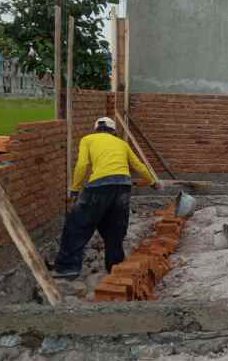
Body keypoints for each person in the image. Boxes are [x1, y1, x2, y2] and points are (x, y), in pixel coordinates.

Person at [52, 116, 159, 279]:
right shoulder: (122, 143)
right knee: (115, 229)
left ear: (96, 129)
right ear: (114, 131)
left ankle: (68, 268)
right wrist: (152, 182)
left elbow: (82, 165)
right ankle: (115, 266)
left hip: (99, 186)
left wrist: (75, 190)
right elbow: (138, 165)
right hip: (123, 185)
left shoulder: (88, 139)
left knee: (77, 225)